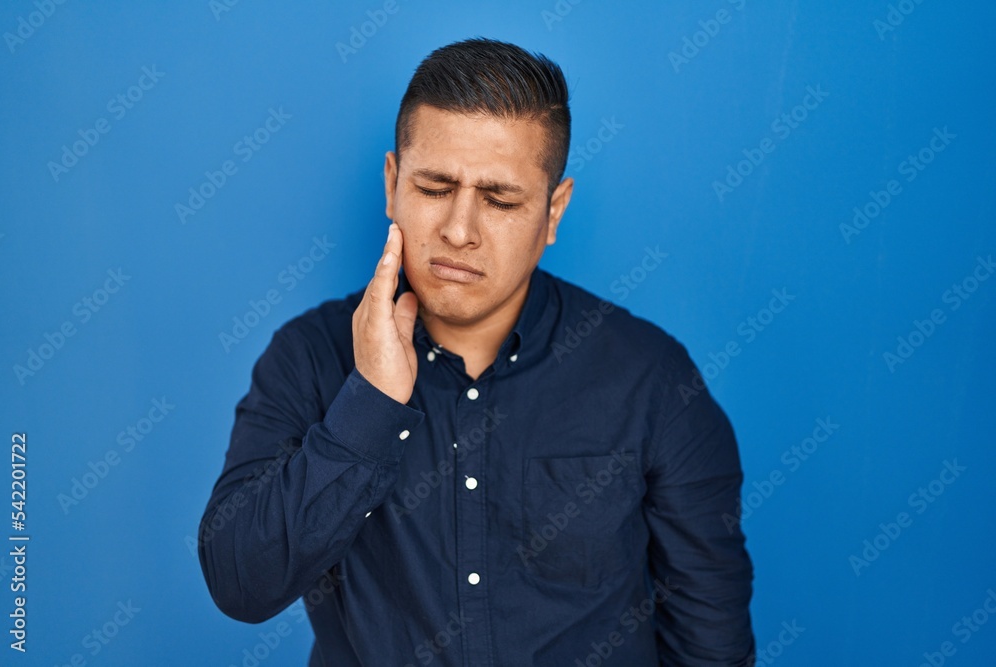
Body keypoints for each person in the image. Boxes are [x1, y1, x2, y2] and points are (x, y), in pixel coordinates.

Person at [198, 37, 755, 666]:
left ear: (553, 211)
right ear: (392, 184)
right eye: (435, 188)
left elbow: (710, 635)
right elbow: (241, 584)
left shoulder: (652, 379)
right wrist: (368, 405)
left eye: (500, 200)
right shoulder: (307, 356)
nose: (459, 231)